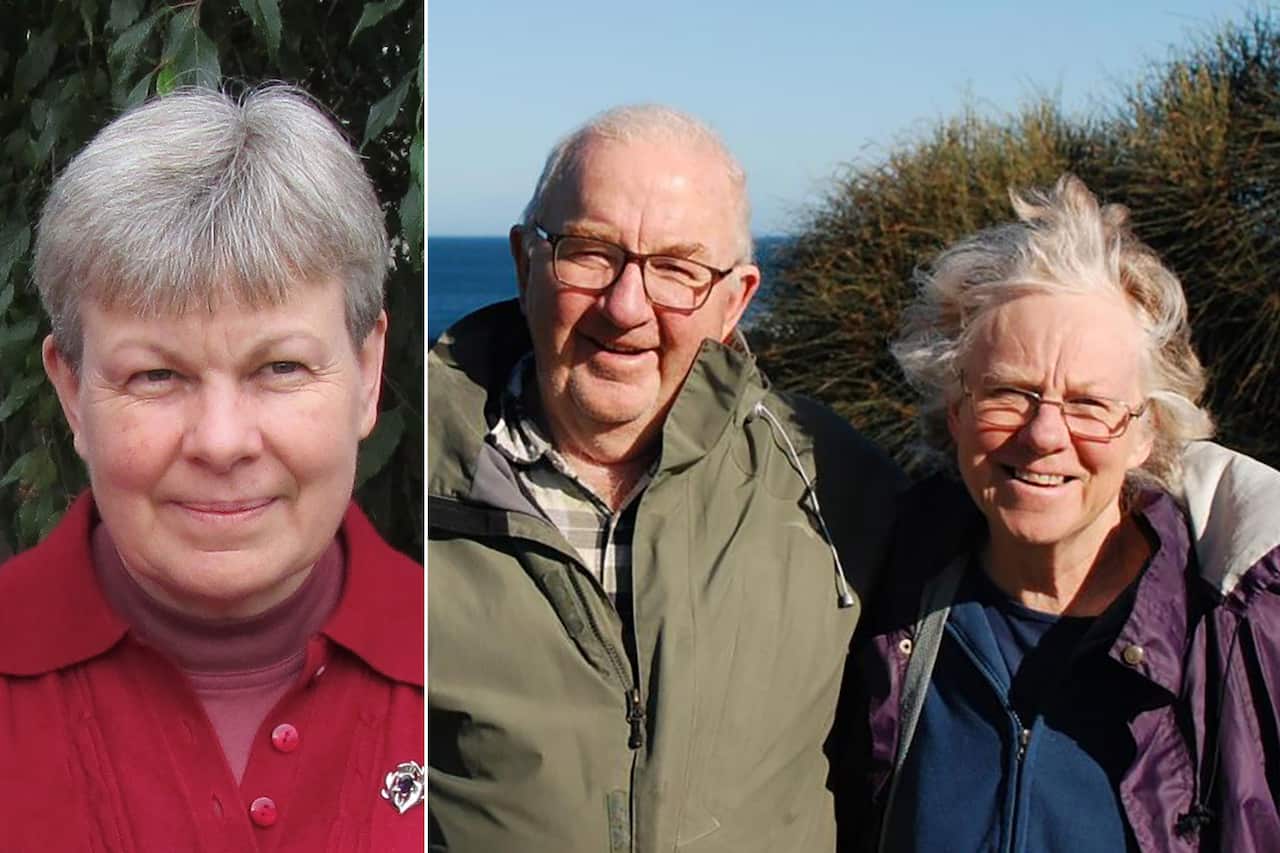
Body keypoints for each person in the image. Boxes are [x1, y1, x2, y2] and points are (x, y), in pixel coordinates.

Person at [427, 104, 905, 851]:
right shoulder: (398, 486)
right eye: (590, 251)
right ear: (526, 262)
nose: (626, 307)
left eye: (677, 270)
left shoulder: (838, 486)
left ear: (734, 300)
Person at [0, 86, 424, 850]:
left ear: (367, 374)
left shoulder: (475, 660)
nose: (222, 442)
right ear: (71, 392)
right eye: (156, 376)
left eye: (282, 367)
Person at [842, 174, 1280, 851]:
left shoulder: (1231, 641)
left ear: (1147, 432)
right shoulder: (878, 603)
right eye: (1009, 392)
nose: (1045, 433)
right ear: (953, 410)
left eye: (1089, 403)